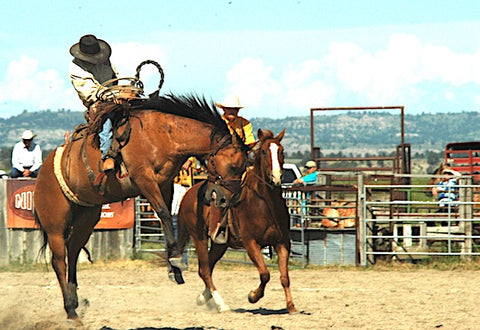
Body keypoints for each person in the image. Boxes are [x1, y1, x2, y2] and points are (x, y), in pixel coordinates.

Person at [69, 34, 133, 172]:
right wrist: (116, 94)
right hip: (98, 102)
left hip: (115, 95)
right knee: (106, 119)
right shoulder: (76, 68)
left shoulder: (105, 59)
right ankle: (107, 155)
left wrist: (125, 90)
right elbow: (90, 93)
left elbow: (115, 77)